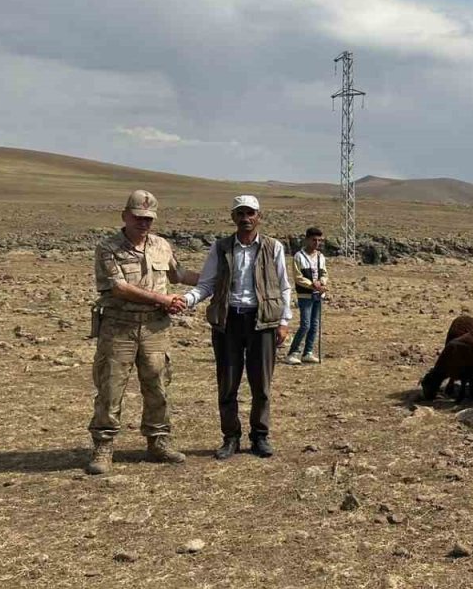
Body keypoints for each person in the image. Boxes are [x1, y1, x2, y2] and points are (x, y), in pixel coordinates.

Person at [86, 190, 199, 475]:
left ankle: (158, 440)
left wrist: (219, 277)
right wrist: (163, 300)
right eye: (138, 217)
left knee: (158, 384)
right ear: (125, 215)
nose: (143, 223)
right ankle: (104, 445)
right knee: (111, 387)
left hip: (155, 328)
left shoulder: (162, 245)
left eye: (148, 218)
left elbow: (178, 275)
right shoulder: (108, 246)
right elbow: (118, 287)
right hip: (119, 326)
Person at [181, 195, 292, 459]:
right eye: (240, 214)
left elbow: (284, 286)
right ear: (233, 218)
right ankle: (230, 437)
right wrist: (187, 300)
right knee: (228, 384)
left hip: (262, 321)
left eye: (250, 213)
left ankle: (260, 437)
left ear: (259, 216)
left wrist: (284, 321)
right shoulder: (221, 248)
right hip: (228, 321)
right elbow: (207, 283)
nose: (245, 219)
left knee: (261, 385)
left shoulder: (273, 247)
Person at [285, 227, 328, 365]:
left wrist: (322, 282)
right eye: (314, 240)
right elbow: (298, 277)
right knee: (305, 324)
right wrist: (311, 284)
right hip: (305, 295)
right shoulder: (299, 256)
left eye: (319, 240)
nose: (317, 243)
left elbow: (324, 273)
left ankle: (308, 352)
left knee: (314, 325)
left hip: (318, 295)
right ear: (307, 239)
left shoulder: (321, 256)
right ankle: (293, 352)